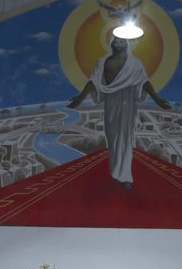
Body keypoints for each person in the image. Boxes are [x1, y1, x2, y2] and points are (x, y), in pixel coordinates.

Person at [67, 37, 171, 190]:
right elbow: (94, 82)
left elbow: (144, 82)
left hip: (128, 102)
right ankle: (116, 173)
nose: (118, 44)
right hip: (111, 103)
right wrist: (80, 97)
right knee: (113, 137)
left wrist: (157, 99)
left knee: (126, 138)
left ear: (126, 44)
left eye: (121, 42)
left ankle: (126, 177)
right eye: (115, 41)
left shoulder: (135, 63)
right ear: (111, 44)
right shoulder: (102, 62)